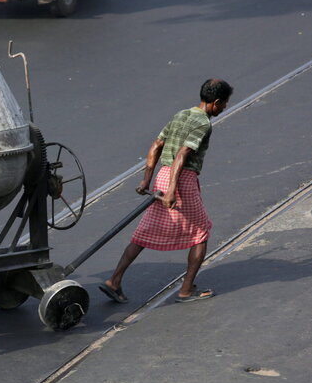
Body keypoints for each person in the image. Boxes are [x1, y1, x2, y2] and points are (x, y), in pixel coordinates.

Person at [99, 79, 233, 304]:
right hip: (181, 180)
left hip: (162, 176)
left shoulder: (181, 114)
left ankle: (114, 280)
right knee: (201, 232)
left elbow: (156, 145)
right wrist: (172, 191)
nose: (225, 108)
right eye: (225, 104)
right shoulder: (203, 123)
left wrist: (146, 181)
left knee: (144, 233)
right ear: (216, 102)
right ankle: (186, 290)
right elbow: (181, 155)